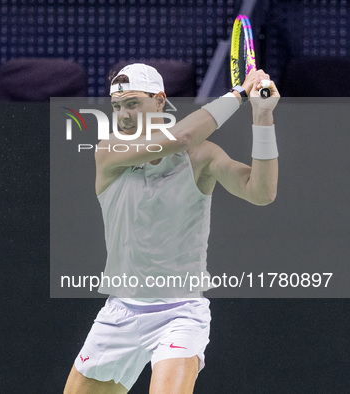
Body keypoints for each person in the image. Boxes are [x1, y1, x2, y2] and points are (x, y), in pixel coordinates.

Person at [64, 63, 279, 394]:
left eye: (132, 103)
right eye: (117, 105)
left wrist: (263, 119)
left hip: (180, 314)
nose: (122, 114)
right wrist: (239, 93)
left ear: (160, 101)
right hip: (120, 313)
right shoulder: (109, 151)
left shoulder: (203, 157)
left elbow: (261, 192)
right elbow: (182, 136)